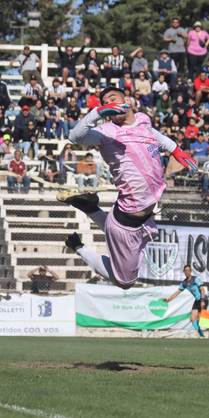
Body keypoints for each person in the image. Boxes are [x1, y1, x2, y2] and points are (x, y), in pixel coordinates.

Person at [59, 85, 197, 289]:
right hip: (129, 219)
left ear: (127, 100)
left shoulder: (143, 119)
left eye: (112, 98)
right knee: (124, 282)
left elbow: (154, 134)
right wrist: (97, 113)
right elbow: (75, 137)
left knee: (117, 237)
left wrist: (176, 150)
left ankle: (89, 208)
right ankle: (78, 247)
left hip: (138, 218)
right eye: (105, 103)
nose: (109, 104)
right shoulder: (107, 132)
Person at [162, 264, 207, 338]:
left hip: (203, 299)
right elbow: (177, 293)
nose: (187, 272)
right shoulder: (184, 283)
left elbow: (202, 289)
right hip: (197, 301)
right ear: (183, 272)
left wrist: (202, 300)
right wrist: (169, 300)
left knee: (201, 320)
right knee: (192, 319)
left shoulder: (195, 279)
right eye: (185, 271)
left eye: (188, 270)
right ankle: (202, 336)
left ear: (191, 271)